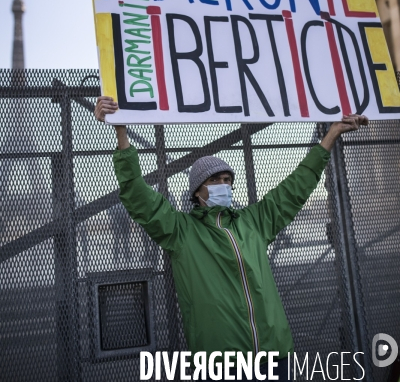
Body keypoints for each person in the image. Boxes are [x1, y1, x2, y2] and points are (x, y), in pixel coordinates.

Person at [95, 96, 368, 381]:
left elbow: (295, 188)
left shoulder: (253, 222)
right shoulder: (180, 231)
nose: (223, 185)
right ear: (197, 192)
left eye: (227, 180)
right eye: (214, 180)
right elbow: (138, 195)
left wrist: (332, 134)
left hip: (277, 357)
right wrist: (121, 131)